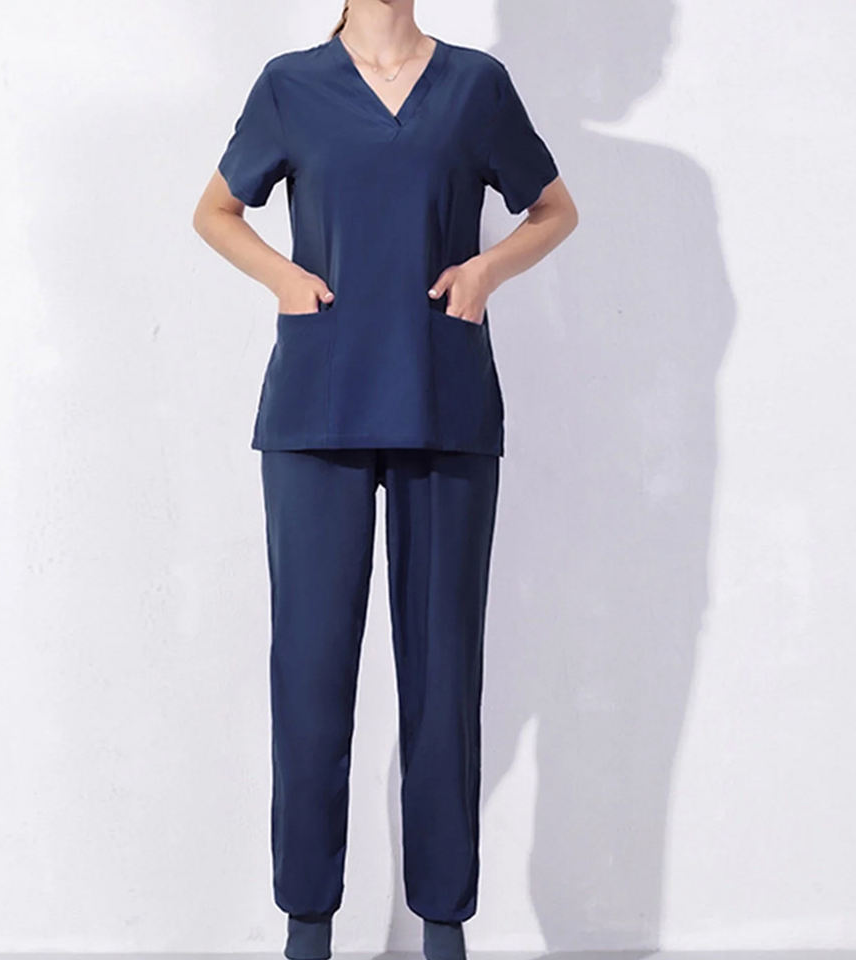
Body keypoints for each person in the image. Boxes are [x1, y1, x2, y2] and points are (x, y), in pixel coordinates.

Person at [193, 2, 578, 958]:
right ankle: (308, 926)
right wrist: (285, 280)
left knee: (444, 677)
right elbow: (215, 212)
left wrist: (486, 271)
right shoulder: (292, 84)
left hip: (443, 401)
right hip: (316, 409)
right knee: (310, 673)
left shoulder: (475, 86)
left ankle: (442, 926)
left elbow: (554, 210)